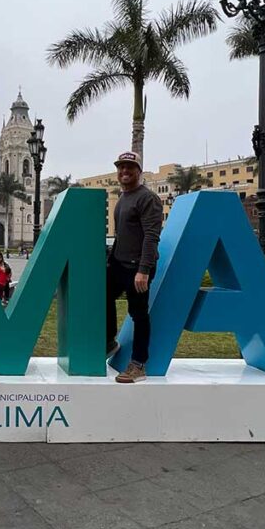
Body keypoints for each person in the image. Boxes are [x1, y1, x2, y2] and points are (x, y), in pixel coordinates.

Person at [106, 151, 162, 384]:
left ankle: (138, 364)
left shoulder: (147, 198)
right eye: (121, 167)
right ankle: (109, 340)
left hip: (138, 268)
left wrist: (144, 270)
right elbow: (123, 234)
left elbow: (151, 235)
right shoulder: (123, 197)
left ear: (139, 171)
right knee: (102, 295)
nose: (125, 172)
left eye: (130, 168)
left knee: (138, 315)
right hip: (119, 264)